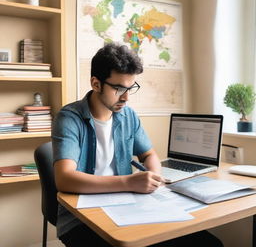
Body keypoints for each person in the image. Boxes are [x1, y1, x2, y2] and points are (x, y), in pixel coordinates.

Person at [52, 42, 223, 247]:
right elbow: (65, 179)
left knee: (208, 243)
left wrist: (154, 176)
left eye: (130, 88)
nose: (126, 97)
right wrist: (129, 182)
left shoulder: (128, 116)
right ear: (96, 84)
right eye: (118, 88)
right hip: (80, 219)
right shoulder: (69, 118)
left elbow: (149, 154)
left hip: (129, 207)